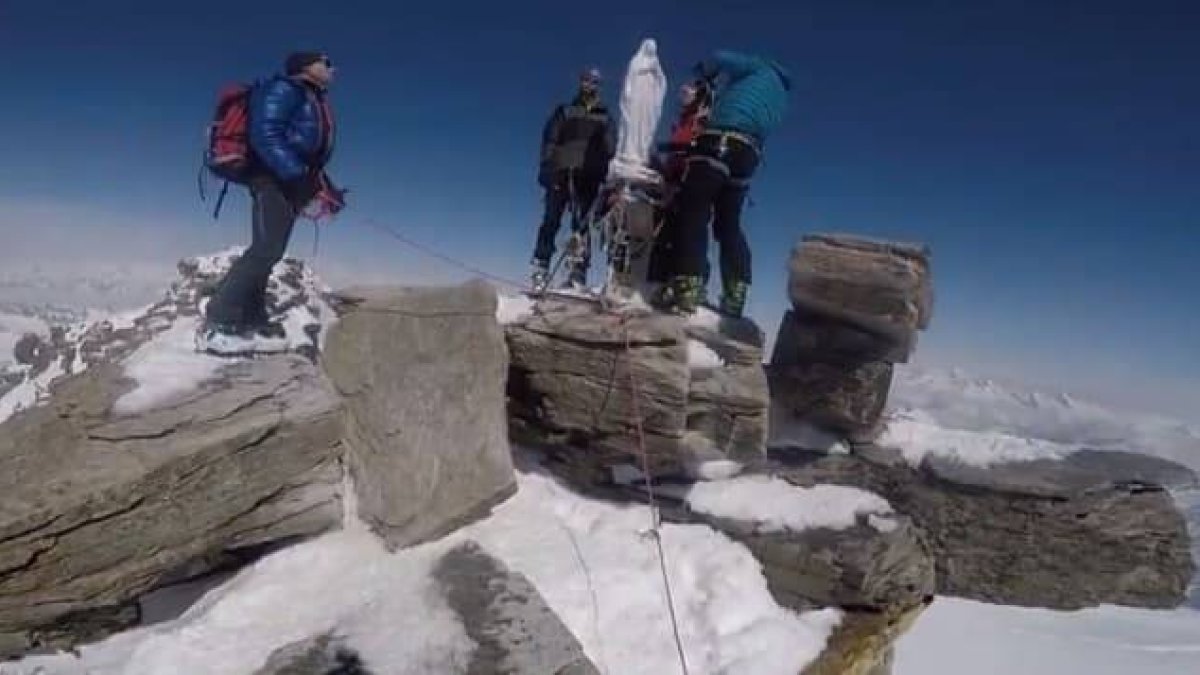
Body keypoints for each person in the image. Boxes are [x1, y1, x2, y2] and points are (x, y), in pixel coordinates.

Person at [202, 51, 345, 351]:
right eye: (326, 62)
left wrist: (320, 184)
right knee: (266, 249)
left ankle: (253, 316)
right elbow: (265, 135)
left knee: (271, 250)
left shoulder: (310, 96)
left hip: (286, 179)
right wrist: (296, 174)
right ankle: (219, 321)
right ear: (308, 67)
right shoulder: (284, 90)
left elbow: (306, 151)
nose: (333, 68)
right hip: (271, 177)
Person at [663, 50, 790, 317]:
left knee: (694, 210)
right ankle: (736, 294)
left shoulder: (758, 65)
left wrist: (707, 73)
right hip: (748, 154)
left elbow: (719, 57)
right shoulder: (781, 96)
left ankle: (687, 286)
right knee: (728, 223)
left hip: (719, 140)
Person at [529, 67, 616, 289]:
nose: (590, 85)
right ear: (580, 83)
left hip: (589, 175)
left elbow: (611, 147)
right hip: (561, 171)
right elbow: (550, 139)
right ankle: (541, 266)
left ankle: (577, 271)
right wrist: (547, 166)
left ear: (599, 86)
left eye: (594, 82)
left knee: (582, 226)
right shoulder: (565, 110)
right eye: (586, 81)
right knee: (551, 220)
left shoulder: (605, 116)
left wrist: (609, 170)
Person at [648, 78, 713, 287]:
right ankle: (657, 282)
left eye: (689, 91)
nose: (683, 94)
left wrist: (670, 148)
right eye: (683, 92)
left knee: (685, 231)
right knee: (662, 232)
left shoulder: (702, 121)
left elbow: (697, 149)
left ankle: (690, 281)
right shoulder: (682, 122)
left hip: (690, 181)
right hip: (672, 181)